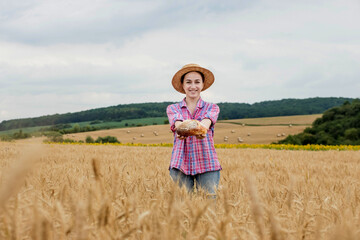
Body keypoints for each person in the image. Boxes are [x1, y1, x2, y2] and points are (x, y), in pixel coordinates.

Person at [166, 63, 222, 198]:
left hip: (207, 163)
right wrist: (194, 129)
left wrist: (191, 129)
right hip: (180, 164)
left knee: (209, 208)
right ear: (183, 85)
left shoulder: (212, 108)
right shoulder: (173, 109)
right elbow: (179, 126)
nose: (193, 86)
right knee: (183, 208)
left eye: (197, 82)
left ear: (202, 85)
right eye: (188, 82)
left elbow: (205, 125)